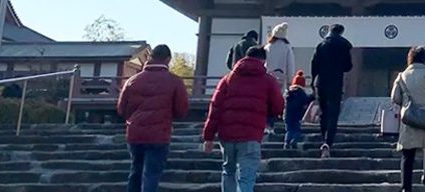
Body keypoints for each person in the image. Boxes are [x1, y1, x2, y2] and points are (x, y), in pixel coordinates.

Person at [202, 46, 284, 192]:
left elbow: (215, 107)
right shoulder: (268, 81)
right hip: (251, 134)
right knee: (247, 175)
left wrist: (208, 136)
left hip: (227, 134)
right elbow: (278, 106)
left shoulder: (227, 79)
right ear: (263, 60)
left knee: (229, 170)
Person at [117, 44, 190, 192]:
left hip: (135, 133)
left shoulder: (133, 80)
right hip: (159, 133)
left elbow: (121, 108)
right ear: (168, 59)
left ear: (150, 58)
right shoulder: (175, 81)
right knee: (151, 175)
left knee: (135, 171)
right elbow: (181, 110)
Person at [392, 46, 425, 192]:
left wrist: (405, 103)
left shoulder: (402, 75)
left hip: (410, 118)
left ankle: (406, 186)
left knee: (407, 153)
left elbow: (395, 97)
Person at [310, 23, 354, 158]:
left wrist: (313, 81)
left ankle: (324, 138)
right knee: (333, 113)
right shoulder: (344, 46)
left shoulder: (321, 45)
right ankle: (328, 142)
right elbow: (348, 66)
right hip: (335, 82)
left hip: (321, 82)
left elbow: (314, 64)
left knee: (323, 113)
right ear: (341, 32)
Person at [283, 71, 313, 149]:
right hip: (297, 115)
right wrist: (313, 96)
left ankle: (287, 142)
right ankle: (294, 141)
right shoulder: (301, 94)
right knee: (297, 130)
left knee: (289, 130)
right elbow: (306, 100)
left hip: (287, 116)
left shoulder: (288, 93)